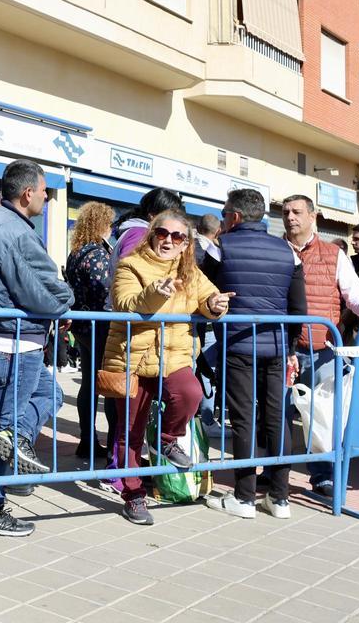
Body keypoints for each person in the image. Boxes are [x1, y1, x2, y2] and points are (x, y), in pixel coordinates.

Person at [103, 211, 232, 526]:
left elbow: (208, 297)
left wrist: (215, 305)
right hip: (132, 359)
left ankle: (166, 438)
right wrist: (154, 292)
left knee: (190, 393)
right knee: (130, 433)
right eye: (162, 233)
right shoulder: (131, 264)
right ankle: (133, 496)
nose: (168, 241)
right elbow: (125, 303)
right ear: (152, 234)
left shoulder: (190, 271)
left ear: (186, 243)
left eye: (177, 236)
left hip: (172, 358)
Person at [0, 160, 71, 537]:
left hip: (8, 339)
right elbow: (46, 292)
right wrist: (66, 302)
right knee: (0, 425)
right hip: (13, 343)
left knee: (48, 395)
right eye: (45, 191)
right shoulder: (14, 231)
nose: (47, 197)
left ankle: (12, 446)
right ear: (28, 193)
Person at [201, 188, 305, 520]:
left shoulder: (220, 247)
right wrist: (290, 347)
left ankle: (244, 498)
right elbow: (299, 308)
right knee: (277, 418)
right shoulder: (288, 251)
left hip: (238, 344)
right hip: (276, 346)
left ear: (234, 216)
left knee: (243, 419)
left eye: (224, 213)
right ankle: (280, 499)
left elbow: (202, 291)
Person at [281, 195, 359, 497]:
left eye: (297, 212)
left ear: (313, 216)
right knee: (277, 414)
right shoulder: (275, 250)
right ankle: (274, 473)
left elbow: (354, 295)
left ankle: (323, 476)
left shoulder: (334, 254)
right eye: (285, 212)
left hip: (321, 348)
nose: (290, 217)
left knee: (322, 418)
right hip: (281, 347)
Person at [65, 201, 117, 462]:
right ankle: (113, 447)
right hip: (101, 326)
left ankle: (87, 440)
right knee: (110, 385)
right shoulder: (97, 254)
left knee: (88, 384)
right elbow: (104, 290)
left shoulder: (76, 252)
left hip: (82, 326)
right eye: (109, 223)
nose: (111, 229)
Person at [110, 188, 185, 272]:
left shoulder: (138, 231)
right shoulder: (141, 234)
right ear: (152, 215)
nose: (174, 221)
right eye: (171, 216)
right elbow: (127, 267)